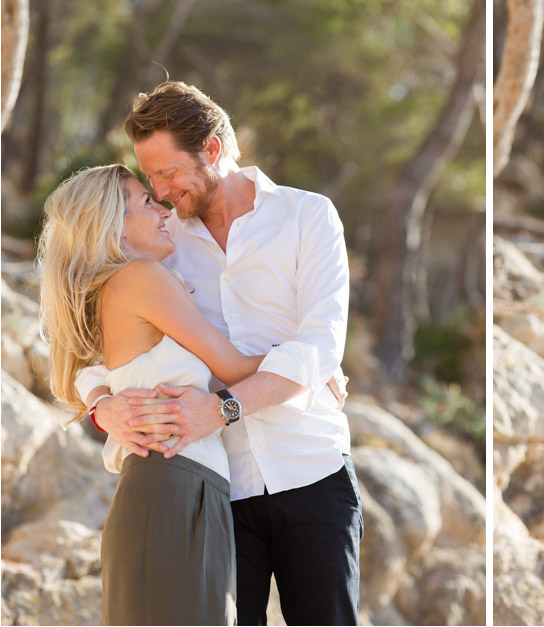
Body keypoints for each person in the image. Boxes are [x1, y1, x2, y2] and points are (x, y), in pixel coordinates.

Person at [74, 81, 362, 626]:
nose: (158, 192)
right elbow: (83, 338)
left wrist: (225, 406)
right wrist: (101, 404)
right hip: (215, 491)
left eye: (167, 172)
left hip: (313, 472)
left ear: (211, 149)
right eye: (150, 178)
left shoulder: (309, 217)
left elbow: (322, 343)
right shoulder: (161, 242)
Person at [39, 164, 263, 625]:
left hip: (178, 486)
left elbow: (86, 367)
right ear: (113, 229)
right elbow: (235, 368)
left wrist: (101, 403)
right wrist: (313, 361)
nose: (164, 210)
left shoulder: (120, 287)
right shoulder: (141, 276)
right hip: (174, 487)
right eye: (146, 201)